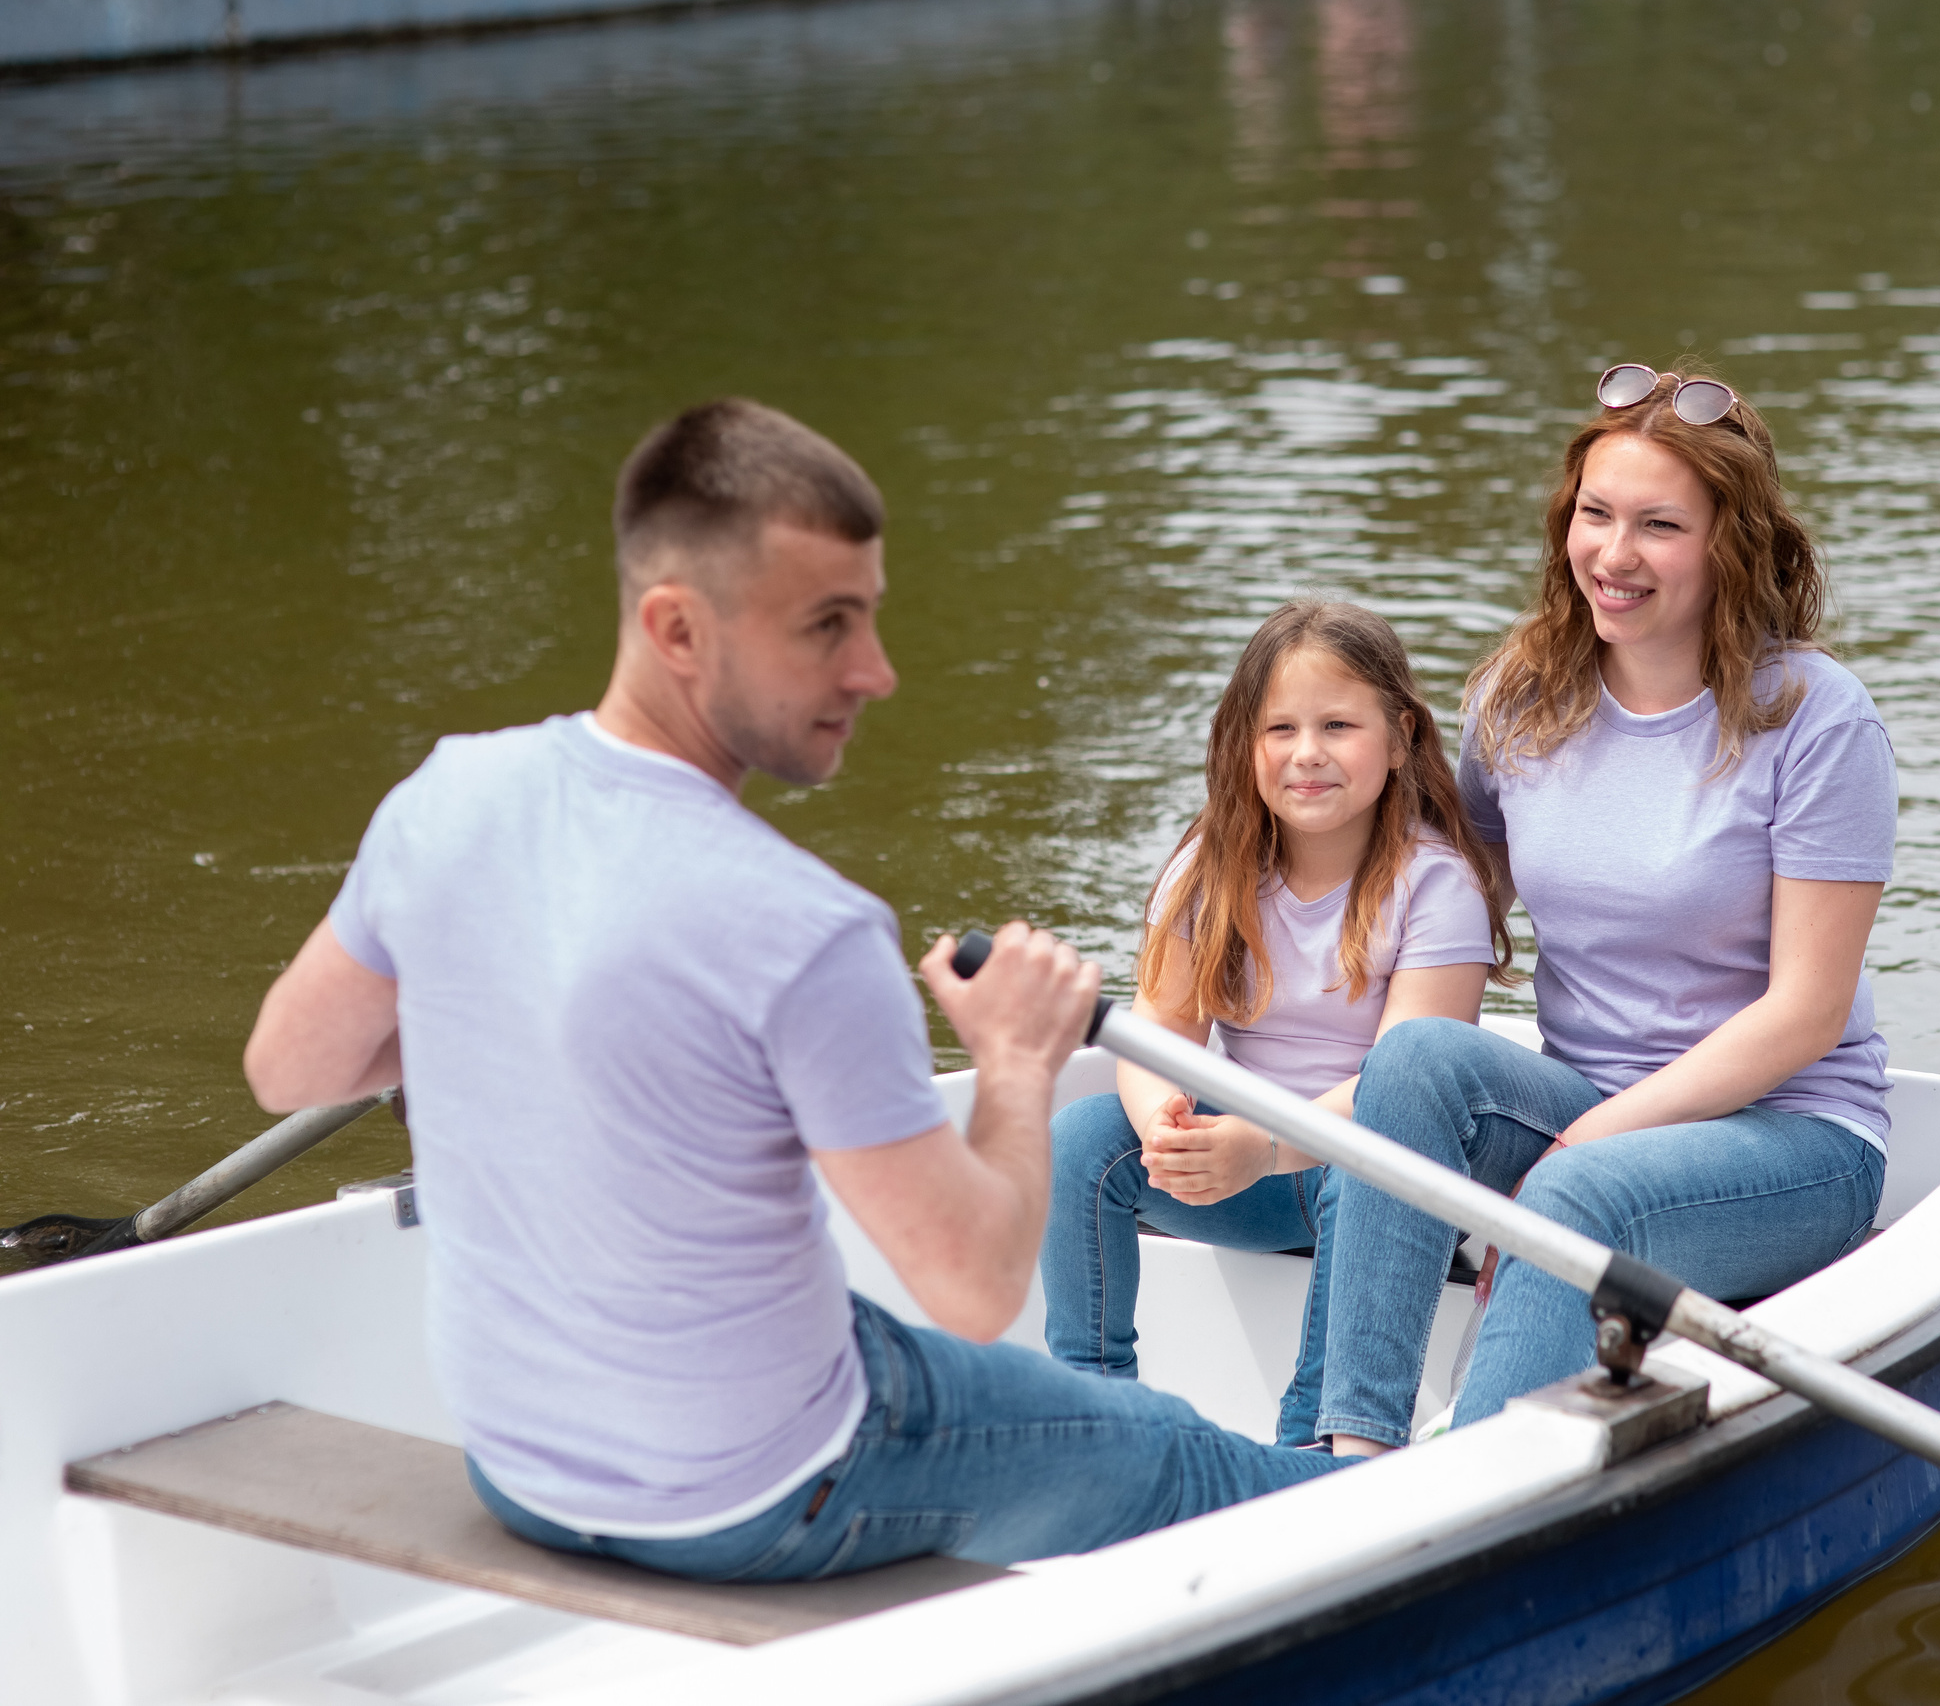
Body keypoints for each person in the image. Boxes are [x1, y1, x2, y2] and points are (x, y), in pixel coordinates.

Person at [240, 398, 1342, 1579]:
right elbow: (972, 1287)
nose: (875, 671)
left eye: (866, 616)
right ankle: (1397, 1506)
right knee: (1171, 1450)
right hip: (765, 1491)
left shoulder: (445, 799)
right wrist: (1016, 1062)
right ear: (677, 629)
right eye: (825, 627)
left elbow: (289, 1068)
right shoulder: (807, 931)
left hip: (521, 1468)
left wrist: (510, 1003)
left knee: (895, 1345)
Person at [1313, 363, 1896, 1456]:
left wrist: (1582, 1146)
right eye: (1595, 514)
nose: (1613, 555)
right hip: (1584, 1103)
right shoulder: (1520, 696)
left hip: (1792, 1137)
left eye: (1659, 526)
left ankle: (1467, 1495)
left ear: (1729, 544)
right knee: (1417, 1065)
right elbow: (1442, 904)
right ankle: (1346, 1451)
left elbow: (1806, 1013)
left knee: (1581, 1196)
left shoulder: (1816, 719)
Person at [1041, 601, 1507, 1445]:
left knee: (1364, 1171)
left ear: (1401, 737)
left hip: (1368, 1171)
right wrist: (1165, 1130)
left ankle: (1309, 1440)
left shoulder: (1433, 886)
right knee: (1080, 1139)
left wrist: (1260, 1143)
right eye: (1279, 728)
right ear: (1243, 744)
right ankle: (1095, 1412)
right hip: (1246, 1171)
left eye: (1338, 724)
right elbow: (1159, 1029)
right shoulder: (1209, 868)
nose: (1307, 754)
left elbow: (1404, 1088)